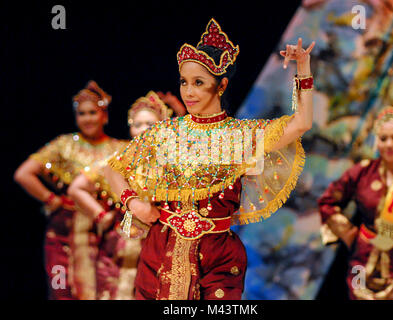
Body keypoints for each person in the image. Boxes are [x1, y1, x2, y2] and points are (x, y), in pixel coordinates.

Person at [104, 18, 314, 300]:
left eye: (198, 83)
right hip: (160, 250)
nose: (188, 92)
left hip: (217, 258)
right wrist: (134, 203)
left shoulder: (242, 136)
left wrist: (303, 68)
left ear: (221, 85)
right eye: (184, 82)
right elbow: (114, 169)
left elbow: (301, 123)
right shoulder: (167, 132)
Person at [68, 91, 185, 299]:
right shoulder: (120, 160)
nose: (142, 130)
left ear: (163, 127)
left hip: (160, 245)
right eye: (137, 124)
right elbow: (77, 187)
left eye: (149, 124)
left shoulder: (172, 163)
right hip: (121, 247)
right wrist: (101, 215)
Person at [14, 80, 122, 299]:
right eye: (82, 113)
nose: (87, 118)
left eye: (93, 112)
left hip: (108, 232)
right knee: (64, 289)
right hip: (67, 231)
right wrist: (50, 198)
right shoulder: (64, 145)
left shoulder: (119, 148)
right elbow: (23, 174)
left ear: (105, 115)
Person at [318, 106, 393, 300]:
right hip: (362, 263)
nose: (389, 144)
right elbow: (328, 201)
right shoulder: (362, 172)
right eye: (383, 139)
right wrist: (348, 233)